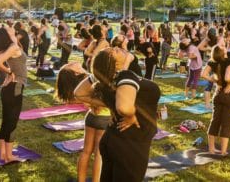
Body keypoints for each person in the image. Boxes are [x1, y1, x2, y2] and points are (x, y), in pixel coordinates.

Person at [92, 48, 160, 181]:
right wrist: (130, 114)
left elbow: (79, 93)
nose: (117, 48)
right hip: (130, 145)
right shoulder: (126, 75)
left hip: (114, 139)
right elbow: (124, 107)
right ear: (113, 64)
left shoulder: (108, 80)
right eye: (114, 52)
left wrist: (113, 106)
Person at [56, 62, 109, 182]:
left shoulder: (81, 84)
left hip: (91, 117)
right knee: (99, 155)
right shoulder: (89, 80)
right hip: (104, 118)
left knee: (86, 152)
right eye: (71, 65)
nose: (74, 62)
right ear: (75, 73)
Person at [0, 26, 27, 163]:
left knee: (6, 121)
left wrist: (8, 71)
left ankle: (3, 154)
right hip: (14, 87)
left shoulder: (9, 47)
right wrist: (9, 72)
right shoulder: (12, 47)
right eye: (8, 28)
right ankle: (9, 157)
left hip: (7, 88)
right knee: (11, 123)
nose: (11, 27)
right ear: (7, 34)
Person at [201, 45, 230, 155]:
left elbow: (203, 74)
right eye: (223, 46)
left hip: (218, 94)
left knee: (214, 121)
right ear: (223, 52)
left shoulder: (213, 61)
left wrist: (212, 80)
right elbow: (228, 77)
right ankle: (223, 152)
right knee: (226, 124)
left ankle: (211, 150)